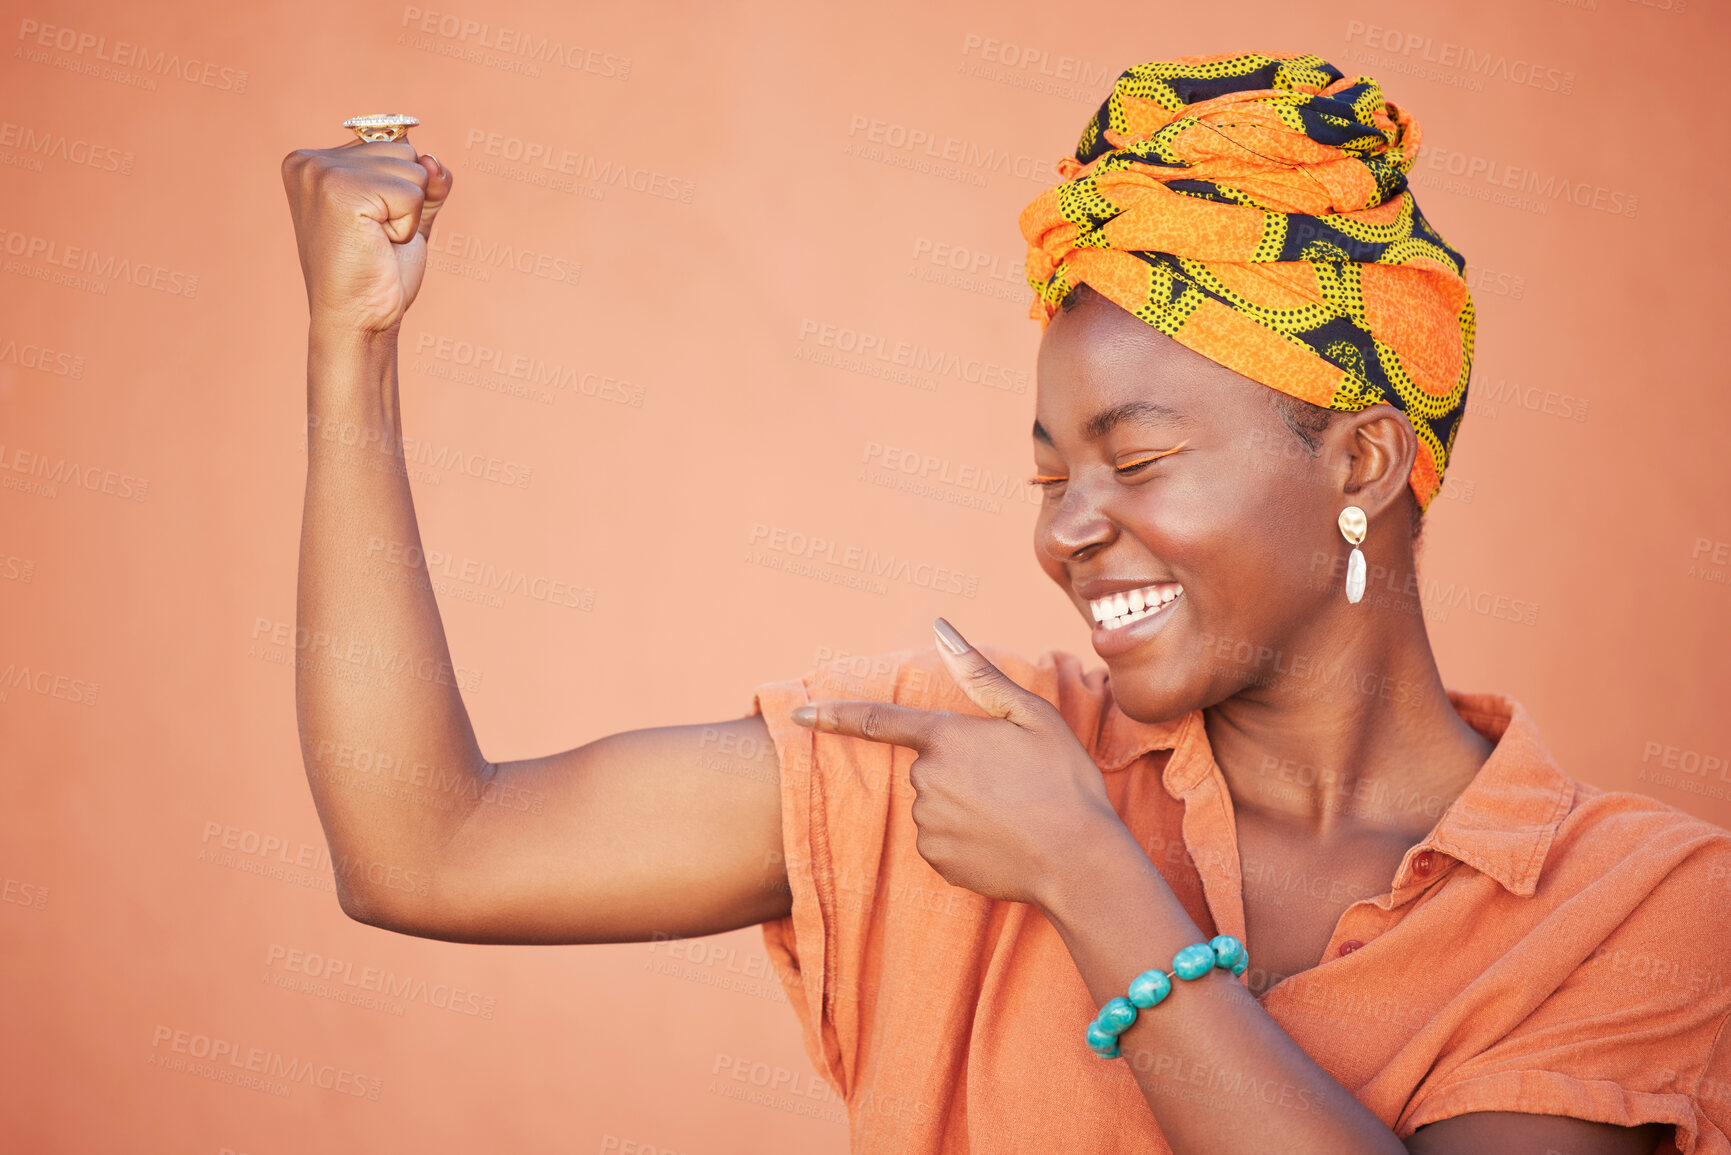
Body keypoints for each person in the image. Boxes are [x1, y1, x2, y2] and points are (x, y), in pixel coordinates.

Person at [279, 51, 1731, 1154]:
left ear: (1359, 458)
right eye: (1048, 479)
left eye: (1139, 458)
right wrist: (353, 349)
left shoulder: (1631, 906)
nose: (1072, 530)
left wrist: (1090, 880)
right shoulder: (958, 757)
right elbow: (429, 844)